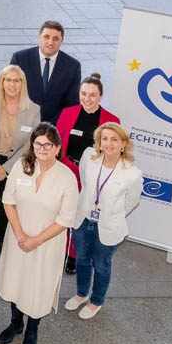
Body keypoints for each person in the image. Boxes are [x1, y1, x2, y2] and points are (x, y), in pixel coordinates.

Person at [0, 124, 79, 344]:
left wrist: (36, 241)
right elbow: (8, 202)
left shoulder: (67, 178)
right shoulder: (22, 167)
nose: (42, 148)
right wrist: (21, 235)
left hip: (47, 242)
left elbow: (65, 219)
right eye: (38, 144)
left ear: (57, 148)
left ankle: (33, 328)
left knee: (38, 284)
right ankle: (16, 322)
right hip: (18, 237)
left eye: (47, 145)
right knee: (16, 278)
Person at [65, 123, 142, 319]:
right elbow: (84, 181)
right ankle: (81, 294)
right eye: (104, 139)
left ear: (124, 144)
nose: (108, 144)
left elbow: (131, 202)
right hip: (83, 219)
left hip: (108, 226)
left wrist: (113, 214)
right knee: (82, 260)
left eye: (114, 140)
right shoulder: (89, 158)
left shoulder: (132, 173)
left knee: (101, 264)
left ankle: (96, 300)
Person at [56, 74, 120, 273]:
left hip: (93, 174)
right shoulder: (67, 113)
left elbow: (115, 151)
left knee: (82, 214)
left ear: (101, 96)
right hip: (68, 168)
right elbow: (57, 144)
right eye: (83, 94)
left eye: (92, 95)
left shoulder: (112, 121)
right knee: (62, 210)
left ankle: (74, 254)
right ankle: (59, 249)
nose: (87, 99)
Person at [0, 65, 41, 252]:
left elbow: (30, 144)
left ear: (22, 84)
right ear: (1, 82)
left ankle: (3, 239)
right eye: (8, 79)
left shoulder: (33, 110)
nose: (12, 84)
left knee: (7, 204)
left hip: (16, 162)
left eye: (17, 80)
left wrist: (6, 168)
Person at [9, 21, 81, 124]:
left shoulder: (72, 66)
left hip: (54, 128)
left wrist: (49, 127)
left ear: (62, 41)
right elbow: (10, 92)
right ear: (39, 37)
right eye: (46, 37)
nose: (50, 42)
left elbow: (72, 103)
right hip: (20, 122)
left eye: (56, 39)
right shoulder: (20, 59)